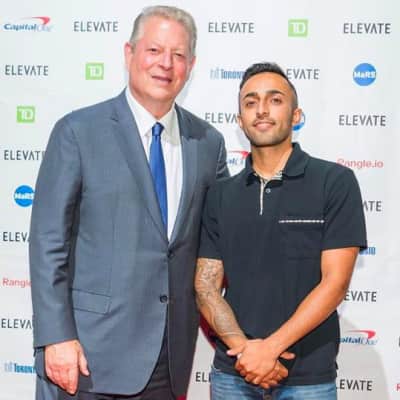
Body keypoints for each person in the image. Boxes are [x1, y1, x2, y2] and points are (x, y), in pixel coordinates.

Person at [29, 5, 228, 400]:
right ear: (129, 53)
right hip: (86, 357)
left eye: (178, 54)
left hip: (168, 360)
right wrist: (56, 337)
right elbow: (48, 242)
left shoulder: (208, 143)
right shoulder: (78, 132)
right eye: (154, 50)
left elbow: (220, 242)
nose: (165, 64)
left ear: (191, 66)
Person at [195, 62, 367, 400]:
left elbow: (335, 284)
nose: (261, 109)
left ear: (296, 115)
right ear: (239, 120)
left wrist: (269, 349)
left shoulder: (334, 182)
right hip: (233, 373)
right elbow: (205, 286)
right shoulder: (219, 194)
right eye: (250, 102)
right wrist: (247, 353)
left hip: (308, 378)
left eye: (275, 100)